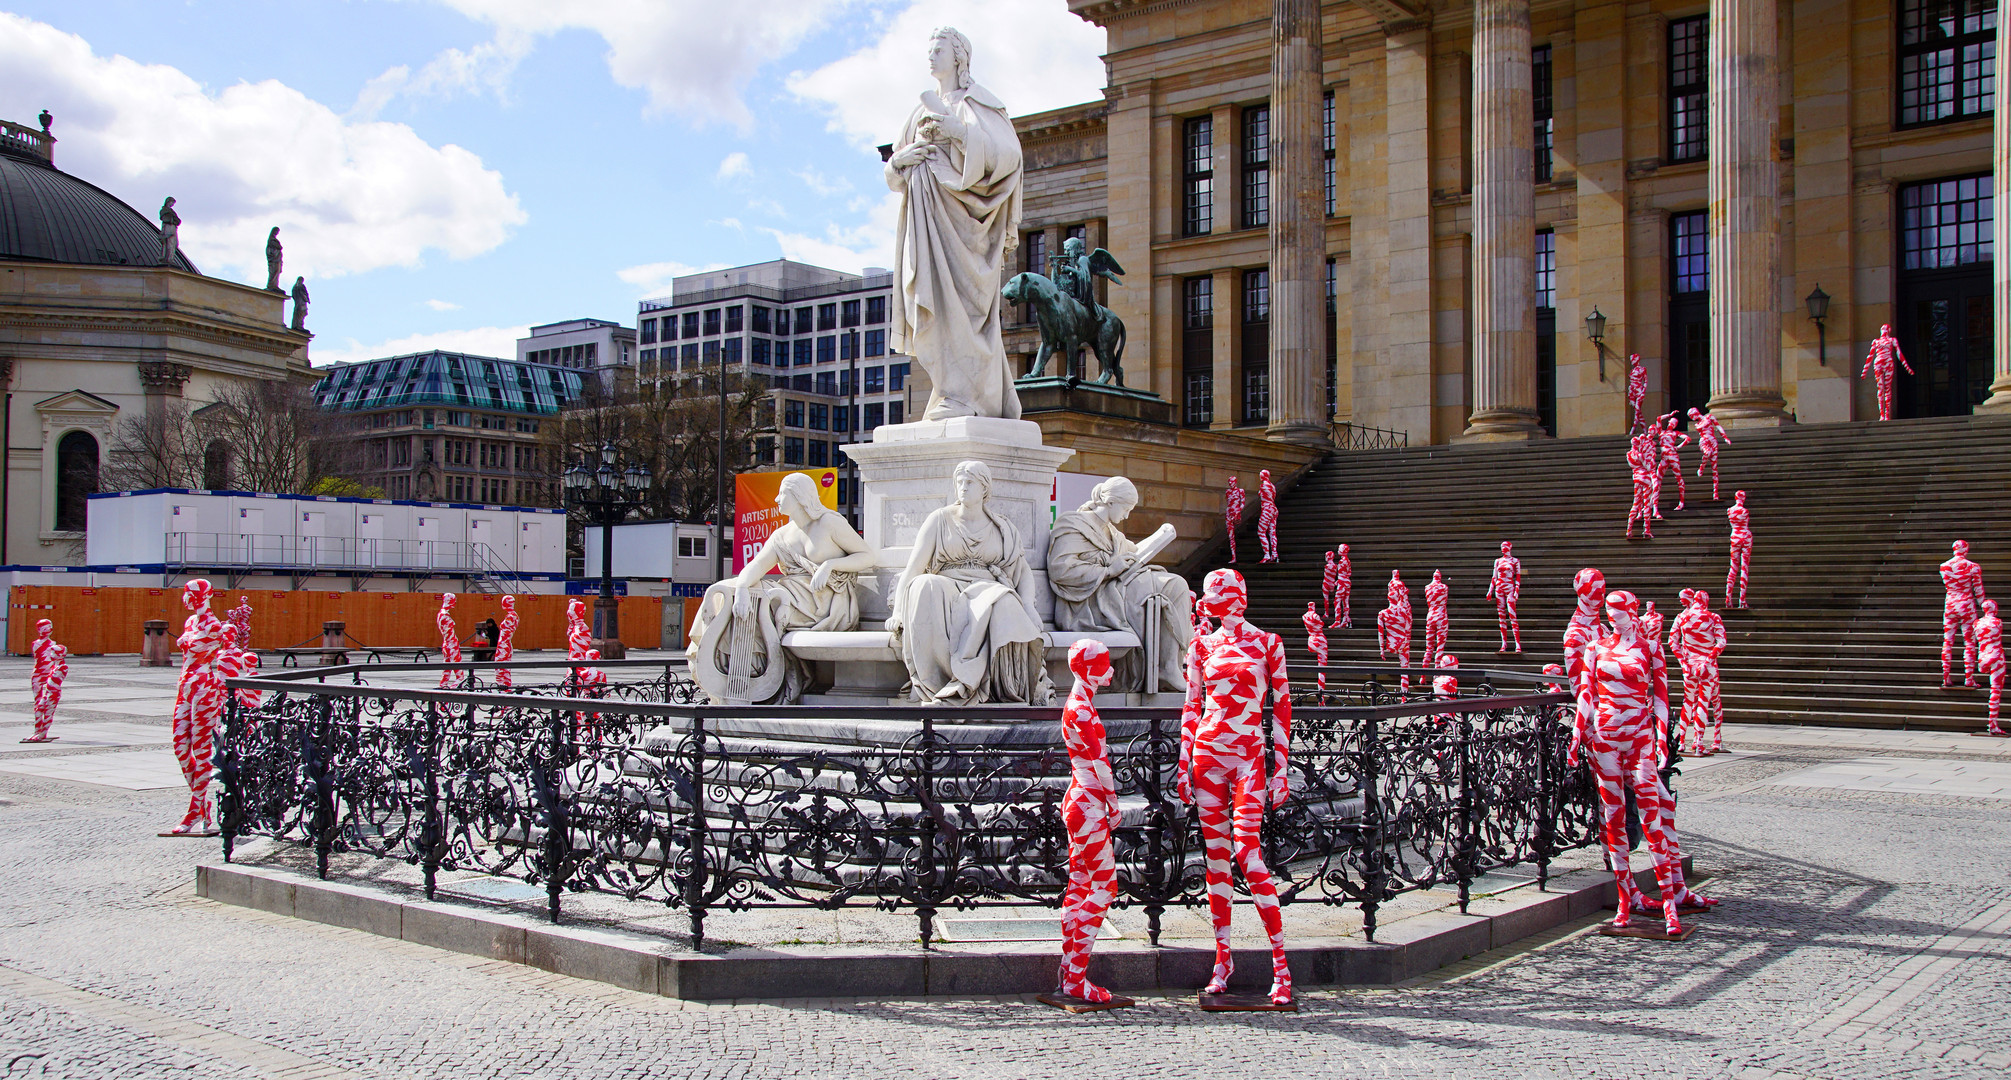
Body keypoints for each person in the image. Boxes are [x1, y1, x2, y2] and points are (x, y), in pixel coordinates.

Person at [885, 26, 1025, 421]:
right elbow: (893, 174)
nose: (931, 56)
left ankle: (968, 395)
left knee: (964, 308)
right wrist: (903, 159)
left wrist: (957, 132)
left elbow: (1009, 156)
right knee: (932, 309)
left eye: (939, 49)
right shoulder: (916, 112)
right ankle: (950, 390)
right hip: (926, 223)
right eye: (928, 49)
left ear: (959, 57)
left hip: (966, 227)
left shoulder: (980, 103)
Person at [1179, 569, 1293, 1006]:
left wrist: (1279, 767)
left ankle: (1280, 962)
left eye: (1220, 597)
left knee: (1247, 850)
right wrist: (1184, 762)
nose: (1214, 605)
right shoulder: (1201, 645)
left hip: (1247, 756)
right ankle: (1222, 959)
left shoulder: (1268, 643)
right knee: (1217, 859)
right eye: (1213, 598)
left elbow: (1281, 707)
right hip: (1208, 755)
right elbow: (1192, 706)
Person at [1579, 590, 1715, 936]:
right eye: (1609, 609)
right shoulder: (1595, 647)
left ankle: (1670, 902)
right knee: (1614, 817)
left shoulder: (1650, 647)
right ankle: (1626, 901)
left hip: (1638, 735)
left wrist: (1660, 738)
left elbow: (1661, 696)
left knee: (1652, 813)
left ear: (1633, 610)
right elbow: (1587, 693)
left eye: (1620, 608)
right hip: (1606, 736)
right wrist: (1578, 734)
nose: (1613, 614)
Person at [688, 472, 875, 705]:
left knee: (764, 602)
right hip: (791, 594)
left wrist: (830, 565)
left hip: (827, 602)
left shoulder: (829, 522)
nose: (776, 499)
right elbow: (755, 566)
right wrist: (743, 589)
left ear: (799, 497)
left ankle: (753, 678)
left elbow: (868, 556)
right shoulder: (781, 536)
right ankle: (738, 676)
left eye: (782, 494)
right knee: (728, 590)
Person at [888, 460, 1050, 704]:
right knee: (924, 585)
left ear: (985, 489)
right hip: (948, 584)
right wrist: (899, 612)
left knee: (1004, 601)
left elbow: (1023, 572)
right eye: (959, 482)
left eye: (970, 482)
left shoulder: (1002, 527)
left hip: (989, 587)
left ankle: (979, 685)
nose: (963, 487)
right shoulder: (940, 519)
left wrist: (1028, 605)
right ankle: (939, 684)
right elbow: (913, 569)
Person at [1047, 476, 1193, 693]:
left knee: (1176, 585)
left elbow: (1134, 552)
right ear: (1111, 502)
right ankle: (1163, 667)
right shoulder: (1072, 524)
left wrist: (1159, 538)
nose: (1127, 515)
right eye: (1126, 508)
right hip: (1087, 602)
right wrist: (1107, 571)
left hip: (1115, 589)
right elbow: (1062, 570)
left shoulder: (1113, 533)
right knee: (1154, 592)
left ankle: (1169, 665)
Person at [1054, 639, 1122, 1005]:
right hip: (1089, 802)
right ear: (1091, 669)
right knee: (1105, 888)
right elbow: (1099, 762)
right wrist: (1112, 803)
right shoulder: (1081, 708)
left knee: (1080, 885)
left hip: (1080, 800)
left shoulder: (1079, 703)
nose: (1111, 669)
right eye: (1106, 663)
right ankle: (1077, 977)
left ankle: (1069, 968)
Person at [1940, 539, 1987, 688]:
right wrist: (1985, 608)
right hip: (1966, 604)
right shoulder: (1972, 567)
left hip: (1950, 604)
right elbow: (1978, 590)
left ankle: (1946, 676)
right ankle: (1969, 677)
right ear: (1966, 549)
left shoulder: (1944, 566)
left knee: (1948, 641)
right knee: (1969, 642)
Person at [25, 619, 67, 743]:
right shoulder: (36, 644)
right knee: (38, 704)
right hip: (38, 675)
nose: (47, 630)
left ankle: (41, 732)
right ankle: (38, 731)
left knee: (45, 706)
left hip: (49, 675)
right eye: (44, 628)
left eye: (49, 627)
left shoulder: (53, 646)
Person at [1862, 324, 1914, 422]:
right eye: (1883, 328)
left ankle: (1886, 415)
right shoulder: (1876, 341)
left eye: (1886, 328)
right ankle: (1882, 415)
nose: (1884, 330)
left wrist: (1907, 367)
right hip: (1879, 364)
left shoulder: (1892, 340)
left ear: (1888, 330)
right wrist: (1865, 370)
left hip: (1887, 363)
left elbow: (1899, 354)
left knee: (1887, 388)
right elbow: (1870, 355)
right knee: (1881, 388)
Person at [1486, 541, 1523, 652]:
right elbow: (1494, 577)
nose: (1503, 548)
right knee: (1501, 616)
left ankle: (1517, 643)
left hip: (1509, 588)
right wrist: (1490, 590)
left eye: (1505, 546)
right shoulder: (1498, 561)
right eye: (1502, 547)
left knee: (1512, 615)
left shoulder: (1515, 561)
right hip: (1499, 588)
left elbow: (1518, 577)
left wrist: (1516, 591)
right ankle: (1504, 643)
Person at [1688, 407, 1731, 501]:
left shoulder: (1709, 417)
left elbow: (1718, 426)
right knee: (1708, 452)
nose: (1692, 418)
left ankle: (1715, 493)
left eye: (1691, 416)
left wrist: (1725, 437)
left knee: (1714, 467)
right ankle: (1702, 466)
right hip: (1704, 441)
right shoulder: (1697, 424)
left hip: (1712, 440)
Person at [1726, 491, 1752, 610]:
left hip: (1734, 537)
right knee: (1744, 567)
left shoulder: (1729, 511)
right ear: (1744, 498)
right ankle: (1742, 600)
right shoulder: (1745, 511)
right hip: (1745, 537)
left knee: (1733, 568)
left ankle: (1728, 598)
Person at [1256, 469, 1279, 564]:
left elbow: (1261, 495)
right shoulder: (1273, 486)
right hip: (1274, 508)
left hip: (1267, 509)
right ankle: (1274, 554)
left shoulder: (1263, 486)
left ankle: (1266, 555)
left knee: (1261, 532)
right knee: (1272, 532)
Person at [1224, 478, 1246, 564]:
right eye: (1229, 482)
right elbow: (1228, 502)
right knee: (1230, 536)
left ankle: (1236, 555)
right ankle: (1233, 556)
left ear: (1235, 482)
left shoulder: (1240, 491)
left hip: (1236, 513)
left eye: (1232, 482)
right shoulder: (1228, 491)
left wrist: (1238, 511)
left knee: (1236, 533)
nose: (1230, 483)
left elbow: (1242, 503)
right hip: (1229, 513)